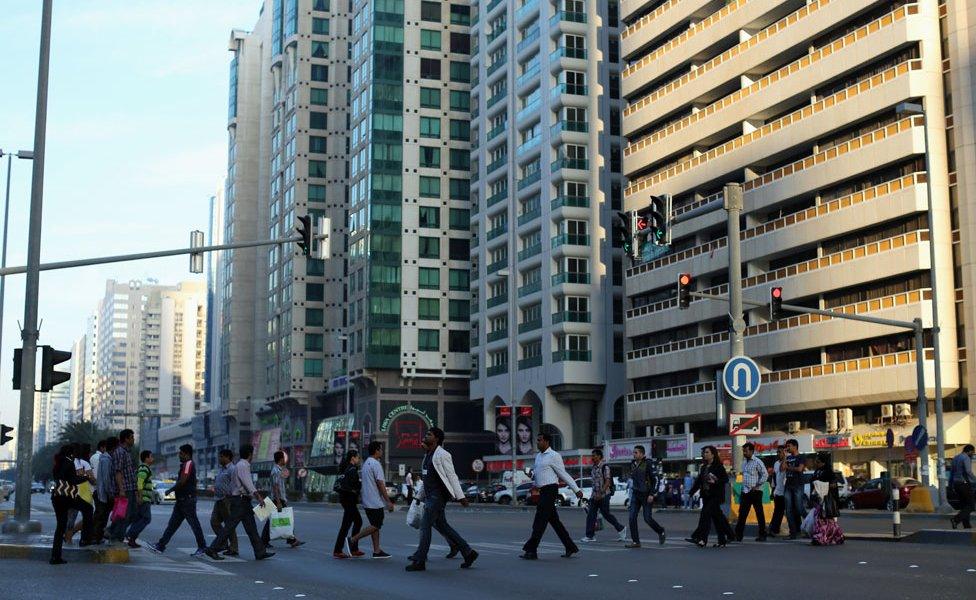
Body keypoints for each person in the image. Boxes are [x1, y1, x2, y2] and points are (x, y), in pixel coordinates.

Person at [406, 427, 478, 572]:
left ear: (436, 439)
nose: (425, 436)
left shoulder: (443, 455)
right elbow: (426, 479)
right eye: (426, 434)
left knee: (425, 526)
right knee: (442, 526)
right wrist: (419, 497)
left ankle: (420, 560)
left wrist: (461, 496)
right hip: (430, 496)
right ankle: (468, 552)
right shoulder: (428, 455)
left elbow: (452, 476)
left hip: (438, 497)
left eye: (429, 434)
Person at [519, 433, 584, 560]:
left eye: (539, 440)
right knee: (555, 522)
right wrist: (531, 475)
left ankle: (531, 550)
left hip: (550, 490)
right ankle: (570, 546)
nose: (537, 443)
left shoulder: (554, 456)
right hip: (542, 491)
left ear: (547, 442)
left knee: (539, 521)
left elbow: (563, 474)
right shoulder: (538, 456)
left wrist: (576, 489)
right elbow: (539, 475)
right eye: (537, 440)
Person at [206, 444, 275, 561]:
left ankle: (260, 552)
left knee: (251, 528)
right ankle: (212, 549)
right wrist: (258, 497)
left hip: (243, 501)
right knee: (229, 527)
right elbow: (248, 483)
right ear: (250, 454)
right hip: (240, 501)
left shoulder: (239, 465)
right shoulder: (243, 465)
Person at [146, 444, 209, 557]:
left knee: (194, 524)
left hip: (187, 500)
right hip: (182, 501)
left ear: (187, 454)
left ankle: (202, 547)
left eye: (181, 453)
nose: (179, 455)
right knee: (172, 525)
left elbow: (182, 481)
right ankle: (161, 545)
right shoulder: (185, 464)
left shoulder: (188, 464)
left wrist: (169, 490)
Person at [349, 441, 395, 559]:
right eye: (380, 449)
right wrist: (388, 501)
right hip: (374, 501)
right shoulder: (376, 464)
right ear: (376, 451)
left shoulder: (366, 464)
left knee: (375, 525)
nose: (382, 452)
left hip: (367, 500)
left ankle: (377, 550)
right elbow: (380, 484)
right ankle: (353, 539)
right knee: (376, 525)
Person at [50, 445, 96, 564]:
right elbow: (73, 480)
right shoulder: (69, 462)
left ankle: (55, 556)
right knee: (88, 509)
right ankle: (86, 538)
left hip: (57, 496)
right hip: (67, 496)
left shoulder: (58, 463)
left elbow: (60, 478)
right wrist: (86, 477)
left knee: (60, 527)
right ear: (71, 453)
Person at [686, 446, 733, 548]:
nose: (705, 454)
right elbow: (699, 481)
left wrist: (715, 481)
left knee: (706, 515)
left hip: (716, 496)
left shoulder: (718, 467)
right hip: (706, 496)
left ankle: (702, 539)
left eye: (707, 452)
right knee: (717, 518)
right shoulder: (704, 467)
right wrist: (691, 493)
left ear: (713, 454)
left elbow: (725, 480)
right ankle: (724, 539)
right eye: (704, 452)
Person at [580, 447, 627, 543]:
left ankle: (621, 528)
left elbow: (608, 482)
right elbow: (594, 483)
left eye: (594, 456)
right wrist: (594, 495)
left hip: (604, 495)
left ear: (599, 457)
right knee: (591, 514)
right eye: (592, 456)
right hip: (594, 496)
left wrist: (601, 493)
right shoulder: (593, 468)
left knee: (606, 514)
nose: (592, 458)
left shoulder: (605, 467)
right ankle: (590, 536)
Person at [261, 450, 305, 549]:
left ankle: (265, 541)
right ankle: (291, 540)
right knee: (285, 519)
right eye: (284, 459)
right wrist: (279, 501)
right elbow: (276, 487)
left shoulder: (278, 470)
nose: (285, 460)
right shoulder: (276, 471)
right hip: (278, 499)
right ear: (281, 459)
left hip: (278, 499)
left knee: (273, 520)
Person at [625, 445, 666, 548]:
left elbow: (656, 479)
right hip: (636, 494)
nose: (634, 455)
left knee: (647, 518)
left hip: (646, 495)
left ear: (642, 454)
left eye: (636, 453)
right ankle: (636, 541)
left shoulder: (648, 463)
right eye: (633, 452)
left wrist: (652, 493)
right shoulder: (633, 464)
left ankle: (660, 531)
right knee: (631, 517)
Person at [734, 442, 768, 542]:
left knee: (759, 514)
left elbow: (765, 475)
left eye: (746, 451)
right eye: (743, 451)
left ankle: (762, 534)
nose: (744, 453)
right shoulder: (744, 462)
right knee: (742, 514)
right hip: (745, 491)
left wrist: (757, 485)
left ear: (752, 451)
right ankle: (738, 535)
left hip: (756, 492)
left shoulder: (758, 462)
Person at [107, 428, 137, 543]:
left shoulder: (126, 452)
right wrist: (121, 490)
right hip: (125, 489)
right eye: (132, 438)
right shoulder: (120, 452)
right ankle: (116, 538)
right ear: (126, 439)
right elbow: (118, 472)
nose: (133, 440)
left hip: (130, 488)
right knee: (123, 515)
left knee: (131, 514)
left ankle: (112, 531)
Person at [333, 449, 364, 559]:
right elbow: (354, 486)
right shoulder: (351, 470)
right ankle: (340, 549)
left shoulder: (347, 468)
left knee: (354, 522)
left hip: (346, 500)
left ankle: (352, 548)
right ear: (353, 458)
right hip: (349, 500)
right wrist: (359, 485)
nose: (359, 459)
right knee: (349, 524)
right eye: (358, 457)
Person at [208, 449, 239, 557]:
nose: (219, 458)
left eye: (221, 456)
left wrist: (229, 495)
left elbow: (235, 484)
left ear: (227, 457)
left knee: (229, 525)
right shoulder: (221, 469)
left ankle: (234, 548)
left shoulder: (232, 469)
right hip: (218, 499)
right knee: (214, 522)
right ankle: (223, 543)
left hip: (227, 500)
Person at [809, 452, 844, 545]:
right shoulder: (817, 471)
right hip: (818, 499)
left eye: (817, 460)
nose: (815, 462)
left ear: (822, 461)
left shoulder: (828, 471)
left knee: (826, 520)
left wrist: (822, 485)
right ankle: (822, 537)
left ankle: (823, 538)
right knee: (821, 520)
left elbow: (833, 484)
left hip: (826, 499)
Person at [64, 443, 95, 546]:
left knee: (71, 518)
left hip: (70, 494)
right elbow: (92, 480)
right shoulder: (84, 463)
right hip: (83, 494)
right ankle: (81, 538)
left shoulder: (68, 463)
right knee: (88, 517)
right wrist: (87, 475)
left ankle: (68, 539)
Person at [125, 450, 155, 547]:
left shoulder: (145, 468)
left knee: (138, 519)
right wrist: (140, 497)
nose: (152, 458)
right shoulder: (144, 468)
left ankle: (132, 540)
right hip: (144, 499)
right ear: (146, 458)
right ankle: (130, 534)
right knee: (146, 518)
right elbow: (139, 483)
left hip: (144, 498)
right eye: (151, 456)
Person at [93, 436, 118, 541]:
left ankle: (97, 537)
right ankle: (95, 538)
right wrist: (110, 493)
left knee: (103, 517)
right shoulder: (106, 459)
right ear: (113, 447)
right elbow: (106, 478)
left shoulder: (107, 458)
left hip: (103, 493)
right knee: (100, 518)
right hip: (103, 494)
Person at [782, 438, 807, 540]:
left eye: (789, 446)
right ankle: (793, 533)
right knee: (788, 510)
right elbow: (782, 468)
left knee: (799, 508)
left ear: (795, 446)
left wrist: (789, 468)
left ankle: (814, 525)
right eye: (786, 446)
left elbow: (800, 469)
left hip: (798, 485)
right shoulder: (788, 458)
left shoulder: (801, 457)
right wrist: (784, 457)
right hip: (788, 485)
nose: (787, 448)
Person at [949, 444, 975, 529]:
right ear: (969, 451)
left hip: (956, 484)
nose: (973, 454)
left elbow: (952, 472)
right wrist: (974, 479)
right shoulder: (966, 458)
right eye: (973, 452)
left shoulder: (956, 457)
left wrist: (950, 485)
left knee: (964, 505)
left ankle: (966, 525)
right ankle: (956, 519)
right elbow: (968, 471)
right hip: (964, 484)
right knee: (971, 505)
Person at [768, 446, 787, 536]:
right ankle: (774, 529)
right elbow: (774, 477)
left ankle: (774, 529)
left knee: (784, 511)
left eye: (780, 452)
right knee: (777, 511)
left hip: (786, 492)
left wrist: (786, 458)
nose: (778, 454)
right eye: (777, 452)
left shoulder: (788, 462)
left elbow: (783, 469)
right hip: (777, 491)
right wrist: (772, 491)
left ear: (785, 452)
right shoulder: (776, 463)